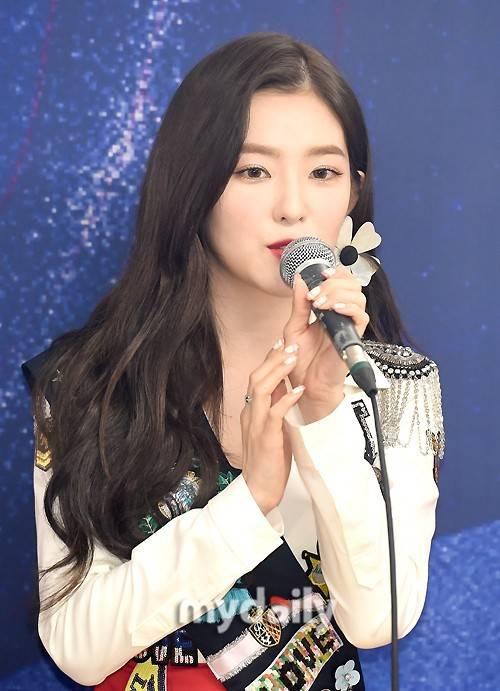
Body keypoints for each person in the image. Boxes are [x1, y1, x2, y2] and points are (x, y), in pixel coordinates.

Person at [21, 32, 445, 690]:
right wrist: (246, 505)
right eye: (253, 171)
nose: (293, 206)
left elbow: (378, 619)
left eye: (323, 172)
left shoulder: (391, 385)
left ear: (354, 194)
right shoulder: (88, 384)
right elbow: (76, 644)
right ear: (193, 185)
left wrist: (325, 414)